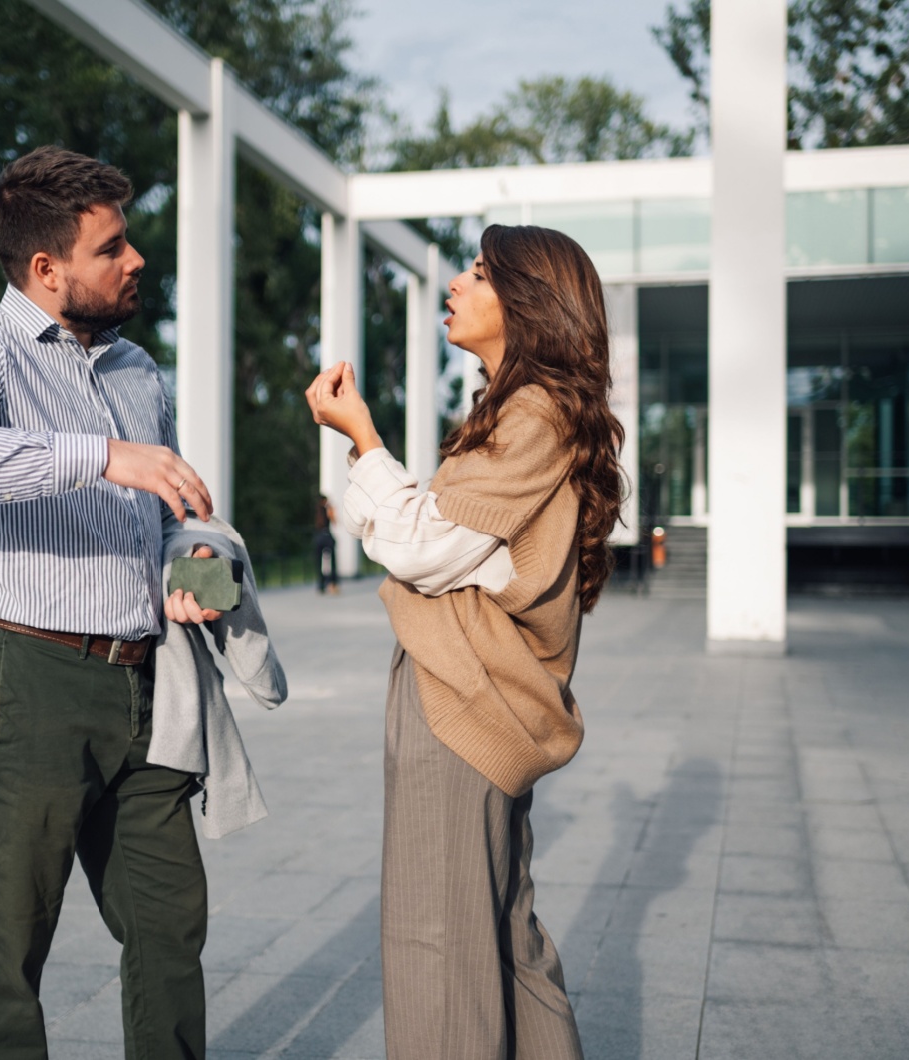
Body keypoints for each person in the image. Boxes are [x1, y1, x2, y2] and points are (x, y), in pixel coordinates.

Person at [0, 145, 223, 1060]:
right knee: (9, 945)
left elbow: (171, 514)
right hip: (18, 681)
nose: (135, 259)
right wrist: (95, 454)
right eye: (112, 246)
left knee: (169, 922)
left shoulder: (139, 370)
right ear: (47, 267)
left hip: (144, 686)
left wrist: (191, 571)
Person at [305, 224, 624, 1060]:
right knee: (508, 944)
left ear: (526, 304)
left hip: (461, 699)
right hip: (485, 701)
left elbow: (418, 546)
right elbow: (429, 537)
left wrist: (363, 439)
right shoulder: (528, 412)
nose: (455, 283)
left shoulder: (532, 413)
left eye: (478, 272)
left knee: (437, 948)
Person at [314, 493, 339, 594]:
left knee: (318, 562)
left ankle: (321, 584)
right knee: (332, 561)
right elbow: (334, 521)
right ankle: (332, 582)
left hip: (318, 536)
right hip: (327, 536)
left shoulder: (316, 511)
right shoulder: (328, 509)